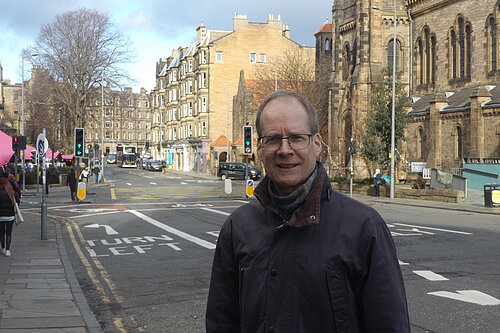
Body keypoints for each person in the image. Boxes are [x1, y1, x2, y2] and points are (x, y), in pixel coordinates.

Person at [206, 91, 410, 333]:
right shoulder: (238, 227)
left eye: (296, 137)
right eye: (273, 139)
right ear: (259, 148)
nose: (285, 149)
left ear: (316, 144)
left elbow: (388, 325)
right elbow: (222, 321)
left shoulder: (363, 226)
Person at [0, 175, 19, 257]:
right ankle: (8, 250)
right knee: (8, 233)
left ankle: (3, 248)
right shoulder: (12, 192)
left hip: (0, 216)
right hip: (10, 215)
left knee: (1, 233)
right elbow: (17, 201)